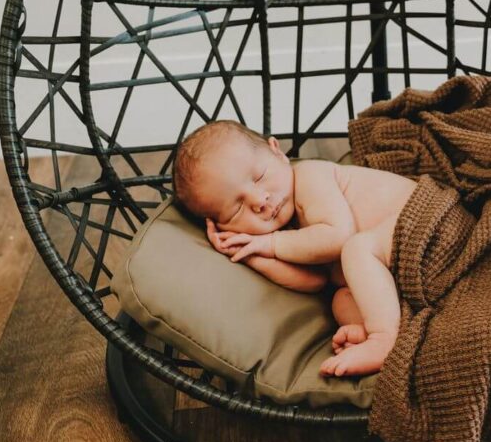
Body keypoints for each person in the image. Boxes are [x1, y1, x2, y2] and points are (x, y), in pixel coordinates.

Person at [171, 119, 419, 377]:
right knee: (340, 299)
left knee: (357, 249)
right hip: (400, 275)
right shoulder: (286, 233)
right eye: (236, 209)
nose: (259, 201)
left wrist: (271, 243)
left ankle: (384, 339)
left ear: (277, 152)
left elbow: (338, 237)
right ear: (222, 227)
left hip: (422, 227)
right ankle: (378, 330)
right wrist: (250, 254)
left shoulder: (310, 177)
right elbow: (314, 281)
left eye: (259, 177)